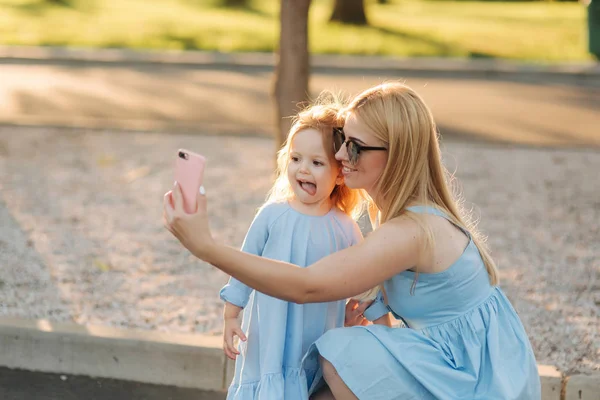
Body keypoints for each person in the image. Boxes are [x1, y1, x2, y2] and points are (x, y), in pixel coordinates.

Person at [164, 82, 541, 400]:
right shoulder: (402, 216)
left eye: (355, 146)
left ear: (396, 156)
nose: (340, 154)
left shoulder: (411, 231)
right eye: (343, 139)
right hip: (469, 364)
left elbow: (308, 285)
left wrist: (207, 248)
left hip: (483, 381)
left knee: (339, 352)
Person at [216, 100, 368, 399]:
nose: (303, 169)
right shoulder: (273, 215)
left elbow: (363, 278)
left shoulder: (345, 227)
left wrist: (357, 313)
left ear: (340, 173)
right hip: (271, 334)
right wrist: (231, 316)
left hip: (318, 334)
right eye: (296, 158)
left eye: (316, 162)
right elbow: (244, 266)